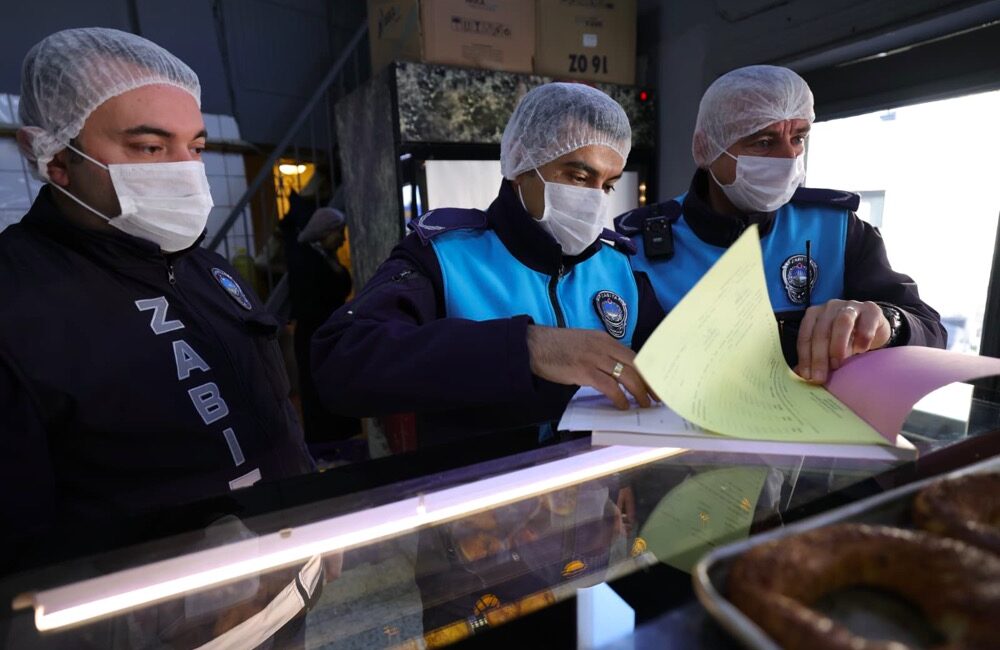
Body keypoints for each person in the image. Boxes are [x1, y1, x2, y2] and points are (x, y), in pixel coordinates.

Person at [0, 28, 313, 565]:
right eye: (149, 146)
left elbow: (276, 412)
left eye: (194, 147)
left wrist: (309, 508)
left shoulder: (207, 271)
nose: (186, 172)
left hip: (285, 598)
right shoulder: (18, 303)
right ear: (54, 156)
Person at [312, 83, 665, 447]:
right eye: (578, 177)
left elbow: (668, 371)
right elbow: (342, 361)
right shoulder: (446, 257)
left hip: (600, 489)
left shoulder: (618, 269)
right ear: (520, 164)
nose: (593, 200)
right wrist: (526, 347)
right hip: (482, 491)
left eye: (607, 186)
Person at [618, 65, 946, 384]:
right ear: (706, 148)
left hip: (811, 430)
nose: (788, 157)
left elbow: (930, 331)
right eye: (763, 142)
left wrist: (888, 323)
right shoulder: (636, 244)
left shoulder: (837, 229)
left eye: (799, 138)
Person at [284, 206, 361, 447]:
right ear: (324, 231)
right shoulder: (305, 258)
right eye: (339, 232)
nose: (342, 239)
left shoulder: (324, 256)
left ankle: (341, 439)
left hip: (328, 331)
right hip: (313, 334)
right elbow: (315, 300)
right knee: (318, 391)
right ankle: (325, 446)